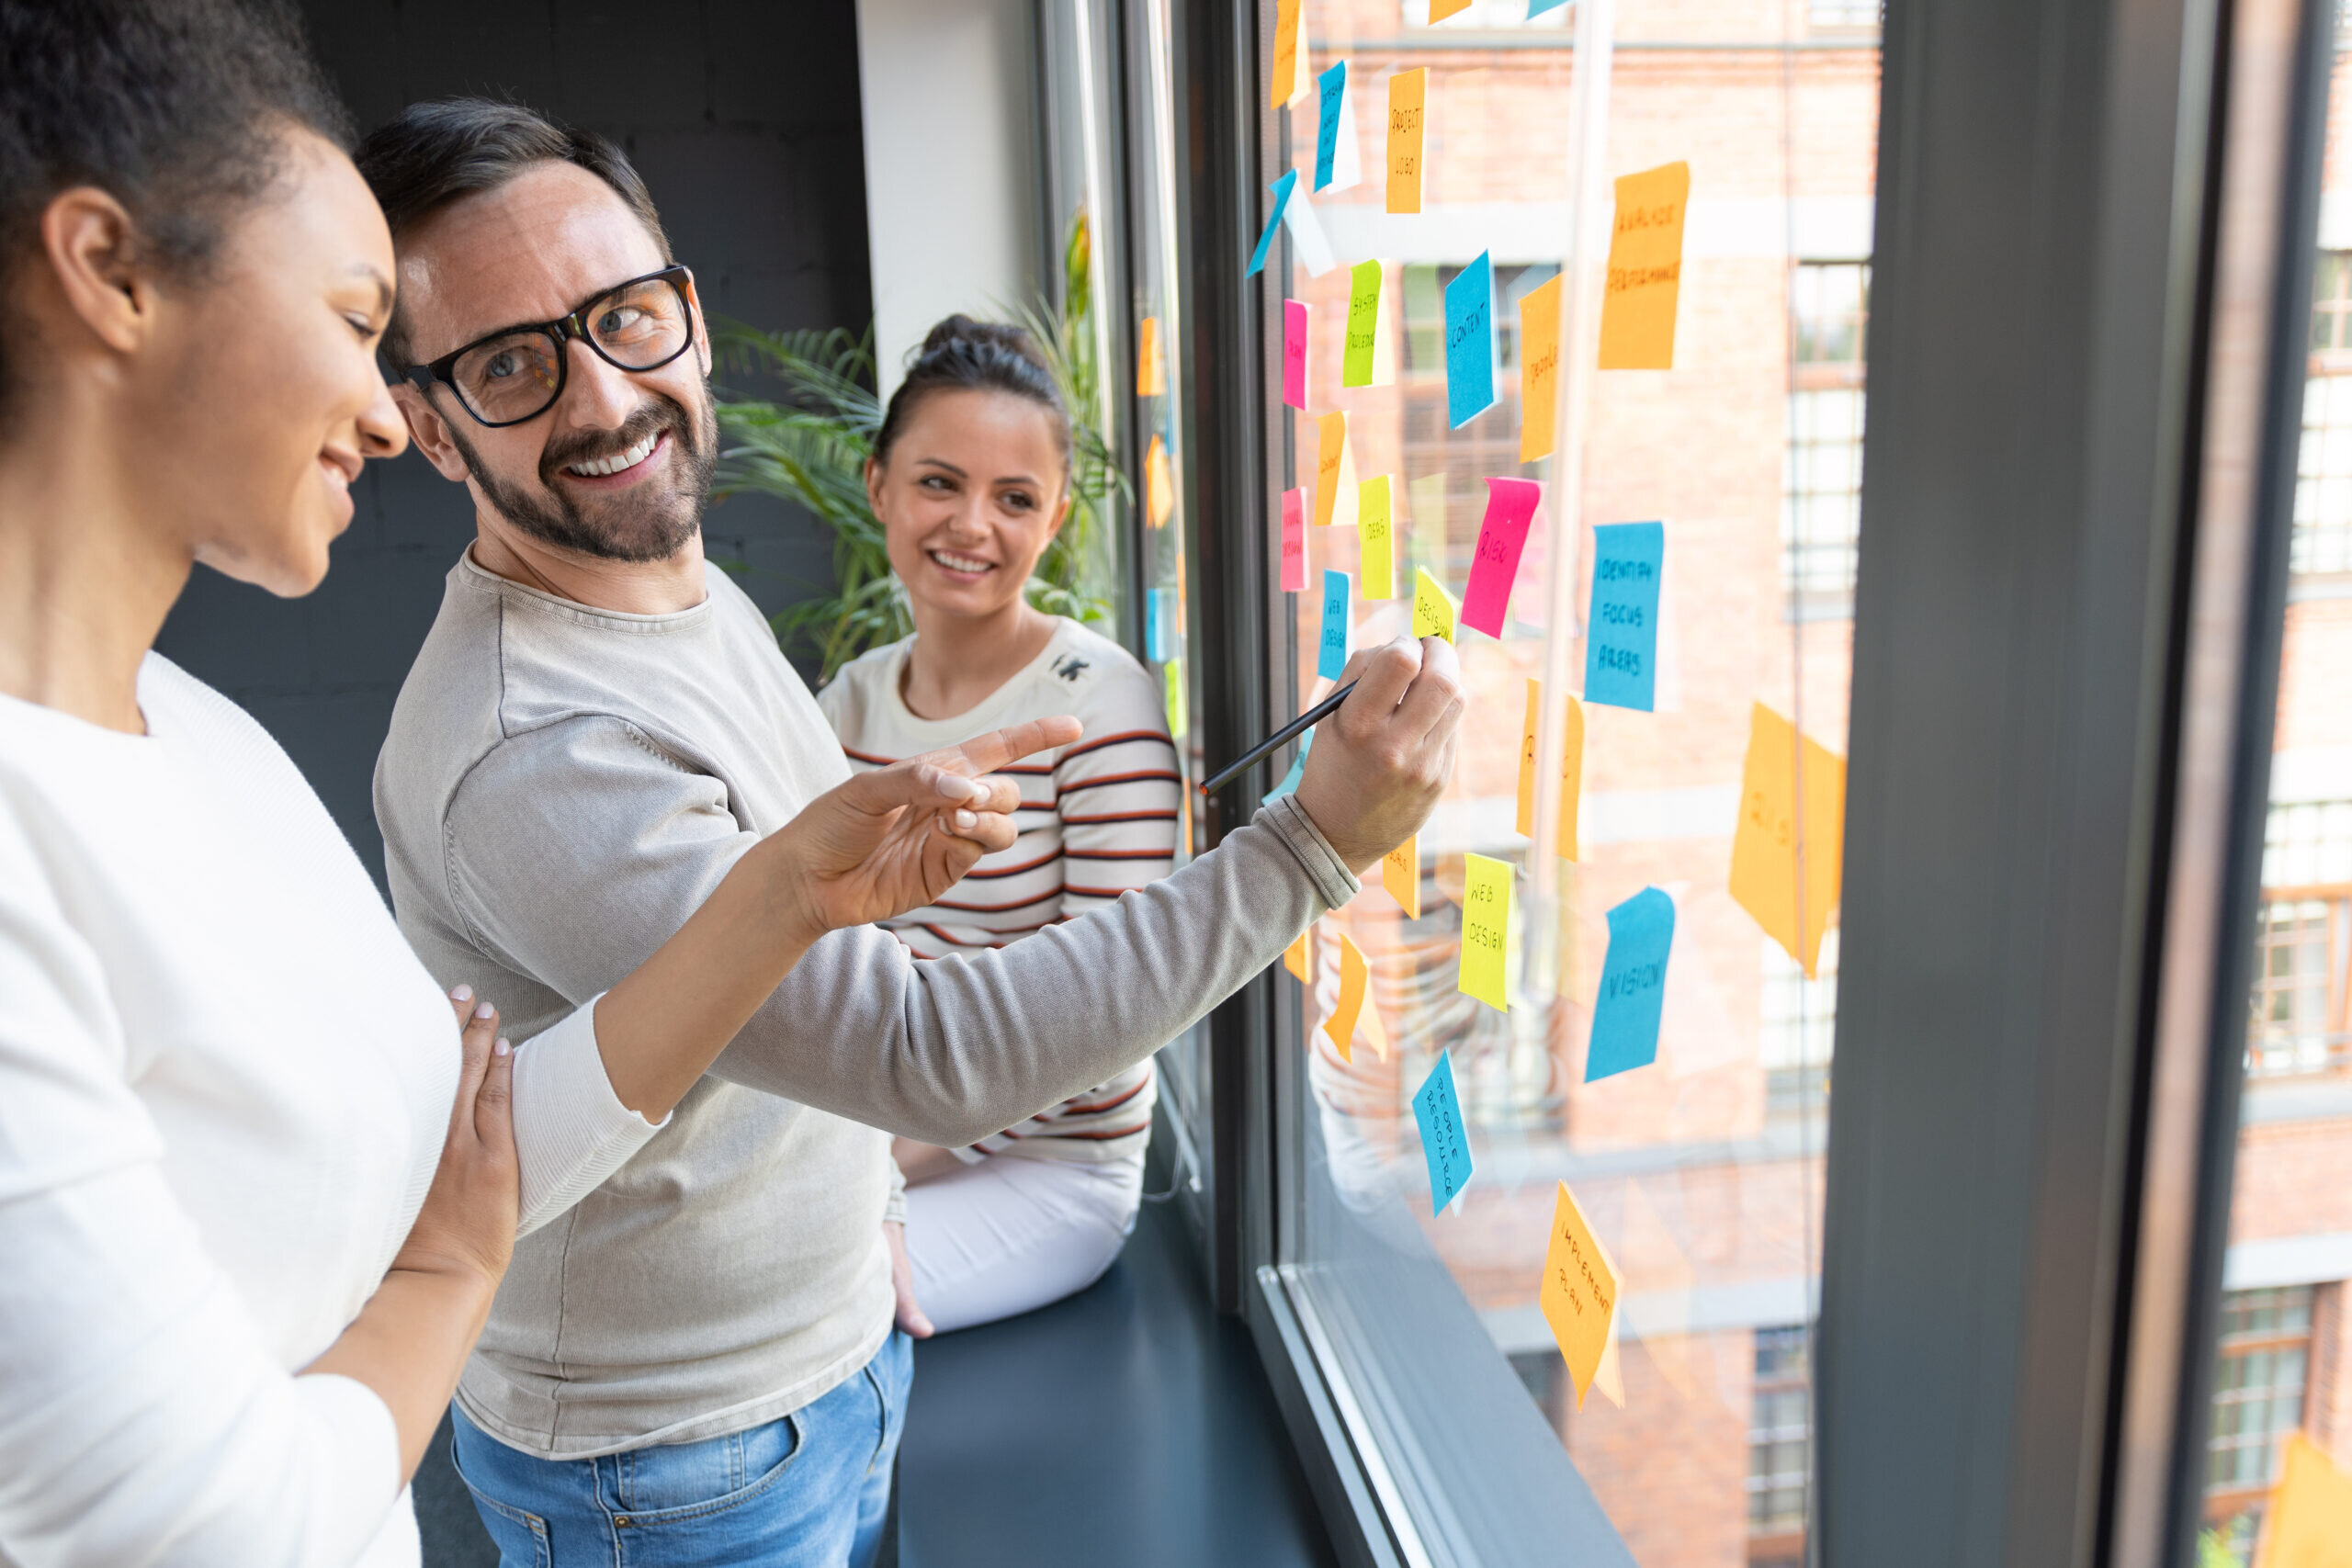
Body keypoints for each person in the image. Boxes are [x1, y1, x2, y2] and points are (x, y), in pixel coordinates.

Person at [0, 6, 1047, 1563]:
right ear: (111, 274)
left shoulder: (193, 729)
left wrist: (779, 896)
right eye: (359, 321)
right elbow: (213, 1528)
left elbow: (463, 1152)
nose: (381, 412)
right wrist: (439, 1285)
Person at [362, 97, 1462, 1568]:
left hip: (829, 1348)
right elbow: (921, 1048)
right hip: (684, 1458)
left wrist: (868, 1184)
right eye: (509, 365)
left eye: (626, 317)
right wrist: (1312, 847)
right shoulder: (536, 740)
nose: (603, 399)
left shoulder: (680, 587)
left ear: (687, 314)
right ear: (428, 426)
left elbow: (815, 1000)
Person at [819, 315, 1180, 1333]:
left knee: (792, 1304)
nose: (972, 524)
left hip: (1042, 1167)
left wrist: (865, 1169)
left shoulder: (1100, 705)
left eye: (1013, 499)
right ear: (878, 483)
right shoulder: (847, 702)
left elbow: (1107, 1025)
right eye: (939, 482)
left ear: (1054, 518)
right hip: (866, 1128)